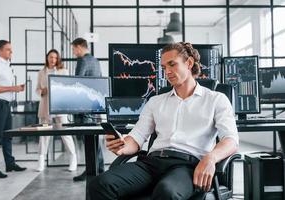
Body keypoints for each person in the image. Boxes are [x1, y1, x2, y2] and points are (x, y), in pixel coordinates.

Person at [88, 42, 239, 199]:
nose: (167, 71)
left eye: (172, 64)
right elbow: (137, 137)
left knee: (167, 192)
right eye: (164, 67)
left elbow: (231, 140)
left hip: (187, 166)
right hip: (152, 163)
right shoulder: (155, 101)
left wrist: (211, 158)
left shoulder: (216, 99)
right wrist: (123, 145)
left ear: (189, 63)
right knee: (100, 184)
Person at [0, 40, 27, 178]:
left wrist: (15, 89)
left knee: (8, 136)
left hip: (5, 104)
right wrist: (14, 88)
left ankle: (10, 164)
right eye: (8, 49)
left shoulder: (7, 66)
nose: (11, 51)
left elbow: (4, 87)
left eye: (11, 49)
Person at [36, 49, 77, 172]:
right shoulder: (41, 72)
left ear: (58, 59)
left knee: (65, 134)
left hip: (60, 106)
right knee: (43, 135)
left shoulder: (64, 71)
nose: (53, 60)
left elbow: (68, 87)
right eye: (50, 57)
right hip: (45, 106)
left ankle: (73, 159)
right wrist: (42, 91)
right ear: (47, 58)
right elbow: (38, 89)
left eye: (55, 57)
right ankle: (41, 161)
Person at [71, 37, 105, 181]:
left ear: (79, 47)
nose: (74, 53)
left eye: (74, 49)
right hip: (95, 104)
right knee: (95, 139)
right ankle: (100, 168)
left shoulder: (82, 61)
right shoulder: (96, 61)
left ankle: (91, 170)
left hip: (85, 106)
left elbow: (77, 82)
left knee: (88, 140)